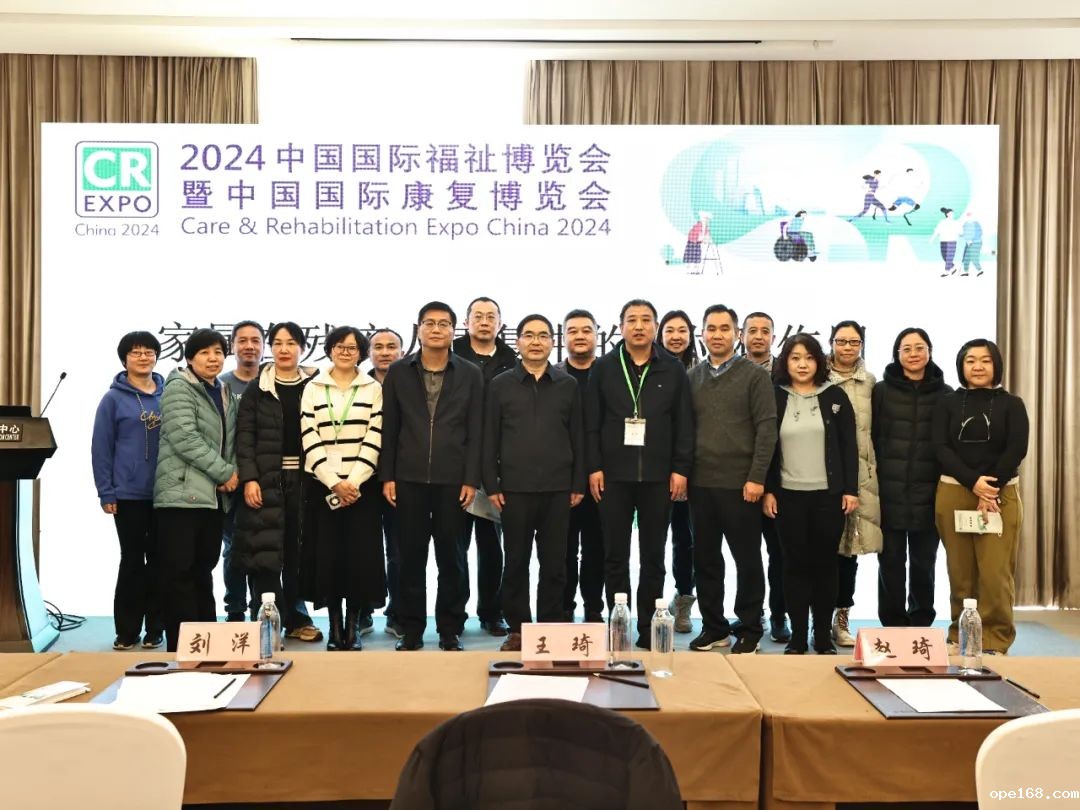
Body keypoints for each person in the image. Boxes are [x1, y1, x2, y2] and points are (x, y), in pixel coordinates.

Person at [585, 299, 693, 648]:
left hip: (658, 477)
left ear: (655, 327)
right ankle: (618, 625)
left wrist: (680, 469)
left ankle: (649, 626)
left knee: (653, 556)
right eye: (632, 320)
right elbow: (591, 423)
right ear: (620, 327)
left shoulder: (672, 369)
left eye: (646, 320)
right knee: (614, 555)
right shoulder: (604, 367)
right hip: (613, 476)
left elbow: (684, 424)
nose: (639, 326)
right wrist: (594, 467)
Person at [381, 302, 483, 652]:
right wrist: (388, 476)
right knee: (409, 557)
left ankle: (450, 628)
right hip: (407, 479)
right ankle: (411, 629)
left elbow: (476, 431)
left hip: (453, 480)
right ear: (419, 329)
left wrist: (471, 478)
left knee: (452, 558)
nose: (436, 329)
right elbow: (390, 427)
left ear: (454, 330)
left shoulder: (470, 373)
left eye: (443, 323)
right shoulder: (399, 371)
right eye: (429, 323)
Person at [484, 314, 586, 651]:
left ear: (552, 342)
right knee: (515, 562)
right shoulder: (500, 384)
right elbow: (489, 439)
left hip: (558, 489)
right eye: (529, 335)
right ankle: (518, 629)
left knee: (555, 564)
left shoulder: (567, 385)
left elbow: (578, 437)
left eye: (543, 335)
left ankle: (550, 628)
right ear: (518, 342)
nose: (536, 341)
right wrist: (492, 485)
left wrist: (577, 483)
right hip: (514, 489)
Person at [687, 305, 777, 654]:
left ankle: (751, 627)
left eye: (725, 328)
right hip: (701, 485)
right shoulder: (693, 377)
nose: (717, 335)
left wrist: (757, 478)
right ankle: (714, 627)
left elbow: (767, 429)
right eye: (711, 328)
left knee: (747, 560)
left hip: (742, 486)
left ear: (737, 335)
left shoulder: (754, 375)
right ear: (703, 334)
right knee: (706, 560)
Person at [763, 334, 859, 655]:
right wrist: (769, 490)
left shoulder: (834, 395)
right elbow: (766, 448)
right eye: (795, 358)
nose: (802, 364)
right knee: (793, 566)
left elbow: (848, 446)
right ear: (785, 362)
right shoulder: (774, 396)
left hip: (829, 497)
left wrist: (851, 489)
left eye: (809, 358)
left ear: (819, 361)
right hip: (787, 497)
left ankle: (821, 636)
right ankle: (798, 636)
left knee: (825, 566)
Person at [933, 339, 1028, 654]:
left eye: (985, 360)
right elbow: (940, 448)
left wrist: (989, 489)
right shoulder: (947, 403)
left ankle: (996, 638)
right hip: (954, 491)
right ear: (961, 366)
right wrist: (973, 482)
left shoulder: (1012, 404)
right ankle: (960, 635)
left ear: (996, 365)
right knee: (960, 572)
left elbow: (1016, 448)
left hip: (1000, 495)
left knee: (995, 572)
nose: (977, 366)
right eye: (970, 360)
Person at [233, 322, 322, 645]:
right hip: (266, 480)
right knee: (264, 554)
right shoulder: (257, 388)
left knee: (299, 553)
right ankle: (267, 624)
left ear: (303, 348)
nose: (284, 349)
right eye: (278, 343)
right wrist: (250, 478)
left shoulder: (316, 385)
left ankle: (297, 619)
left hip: (306, 482)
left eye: (291, 343)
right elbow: (245, 437)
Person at [299, 325, 385, 651]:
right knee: (329, 557)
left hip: (362, 489)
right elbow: (309, 435)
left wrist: (354, 481)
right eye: (339, 346)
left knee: (359, 559)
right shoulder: (313, 387)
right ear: (329, 350)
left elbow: (375, 435)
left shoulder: (372, 388)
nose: (345, 352)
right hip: (323, 486)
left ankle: (354, 626)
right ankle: (335, 626)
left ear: (361, 353)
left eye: (352, 347)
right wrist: (333, 481)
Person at [153, 329, 238, 652]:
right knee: (179, 574)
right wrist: (225, 472)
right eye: (204, 352)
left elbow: (230, 441)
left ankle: (205, 644)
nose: (213, 358)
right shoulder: (179, 387)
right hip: (180, 496)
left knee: (203, 571)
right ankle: (181, 647)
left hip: (211, 498)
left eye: (218, 352)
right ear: (189, 357)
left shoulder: (223, 390)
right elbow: (185, 438)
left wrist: (230, 474)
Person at [92, 331, 166, 651]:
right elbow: (101, 448)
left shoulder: (169, 395)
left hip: (165, 494)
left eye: (149, 351)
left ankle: (156, 629)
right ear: (124, 359)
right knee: (133, 561)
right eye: (136, 352)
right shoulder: (112, 399)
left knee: (160, 561)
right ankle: (127, 630)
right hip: (128, 495)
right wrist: (106, 492)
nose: (143, 357)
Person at [872, 328, 951, 627]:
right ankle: (892, 624)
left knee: (924, 563)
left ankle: (921, 624)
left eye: (920, 347)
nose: (914, 354)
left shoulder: (946, 394)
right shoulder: (881, 391)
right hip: (889, 493)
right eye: (907, 349)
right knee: (890, 561)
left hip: (929, 494)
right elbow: (873, 438)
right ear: (897, 354)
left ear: (930, 351)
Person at [453, 296, 516, 637]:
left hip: (497, 466)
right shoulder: (451, 355)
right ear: (466, 322)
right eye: (477, 316)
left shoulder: (512, 360)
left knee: (492, 547)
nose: (484, 321)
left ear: (500, 324)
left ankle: (493, 612)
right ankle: (454, 613)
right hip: (458, 464)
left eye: (491, 316)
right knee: (455, 547)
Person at [826, 321, 882, 647]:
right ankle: (817, 616)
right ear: (831, 342)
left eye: (854, 342)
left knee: (850, 551)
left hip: (860, 477)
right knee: (821, 550)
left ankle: (841, 618)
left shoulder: (871, 383)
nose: (847, 347)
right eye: (841, 341)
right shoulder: (818, 379)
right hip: (822, 476)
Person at [741, 311, 790, 642]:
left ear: (774, 337)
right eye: (752, 330)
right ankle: (751, 613)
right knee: (747, 555)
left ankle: (778, 614)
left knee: (779, 554)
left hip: (780, 478)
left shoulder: (787, 375)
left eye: (765, 331)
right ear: (742, 336)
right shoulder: (731, 372)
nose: (758, 336)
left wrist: (770, 483)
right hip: (741, 479)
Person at [557, 309, 605, 623]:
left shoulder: (609, 374)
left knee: (596, 548)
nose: (579, 336)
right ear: (563, 337)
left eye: (586, 330)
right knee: (562, 550)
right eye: (572, 331)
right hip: (562, 478)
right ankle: (563, 609)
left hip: (603, 477)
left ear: (596, 335)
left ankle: (593, 609)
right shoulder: (554, 376)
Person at [219, 320, 265, 621]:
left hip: (267, 480)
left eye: (255, 340)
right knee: (233, 548)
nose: (249, 346)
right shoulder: (220, 385)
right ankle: (234, 609)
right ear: (232, 346)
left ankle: (266, 610)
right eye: (242, 340)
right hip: (231, 480)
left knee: (266, 548)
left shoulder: (273, 381)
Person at [657, 309, 699, 633]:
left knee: (687, 539)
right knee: (654, 540)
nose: (675, 336)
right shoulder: (650, 369)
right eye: (669, 330)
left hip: (695, 470)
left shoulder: (701, 372)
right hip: (656, 468)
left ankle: (684, 601)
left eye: (682, 330)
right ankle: (651, 606)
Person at [368, 328, 405, 638]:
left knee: (398, 550)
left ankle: (398, 612)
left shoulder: (410, 384)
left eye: (391, 346)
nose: (384, 352)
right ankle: (363, 610)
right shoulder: (356, 384)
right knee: (364, 548)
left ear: (402, 353)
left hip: (400, 479)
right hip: (362, 479)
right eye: (378, 347)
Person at [931, 207, 963, 277]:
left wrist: (962, 234)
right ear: (947, 214)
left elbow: (960, 232)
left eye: (953, 213)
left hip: (952, 241)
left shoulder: (956, 222)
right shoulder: (942, 222)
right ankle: (953, 266)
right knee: (944, 256)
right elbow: (937, 231)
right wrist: (932, 239)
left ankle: (946, 271)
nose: (953, 215)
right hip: (943, 240)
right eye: (951, 213)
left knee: (949, 256)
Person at [961, 212, 984, 277]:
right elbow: (964, 233)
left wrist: (972, 240)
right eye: (967, 216)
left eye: (970, 216)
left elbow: (979, 233)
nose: (969, 217)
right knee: (966, 257)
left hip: (976, 242)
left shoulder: (976, 223)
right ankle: (966, 272)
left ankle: (980, 270)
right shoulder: (965, 224)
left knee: (973, 257)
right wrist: (962, 236)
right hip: (968, 243)